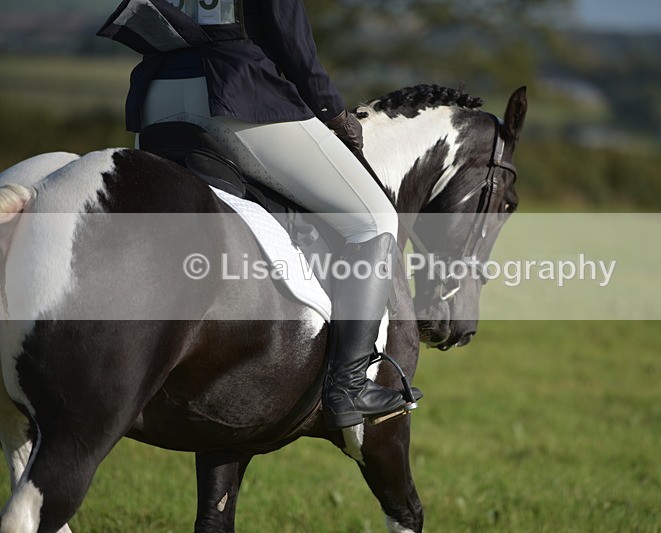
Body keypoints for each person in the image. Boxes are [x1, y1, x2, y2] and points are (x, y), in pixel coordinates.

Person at [97, 0, 420, 429]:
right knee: (375, 218)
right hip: (232, 90)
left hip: (154, 96)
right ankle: (349, 387)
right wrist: (332, 111)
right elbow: (289, 37)